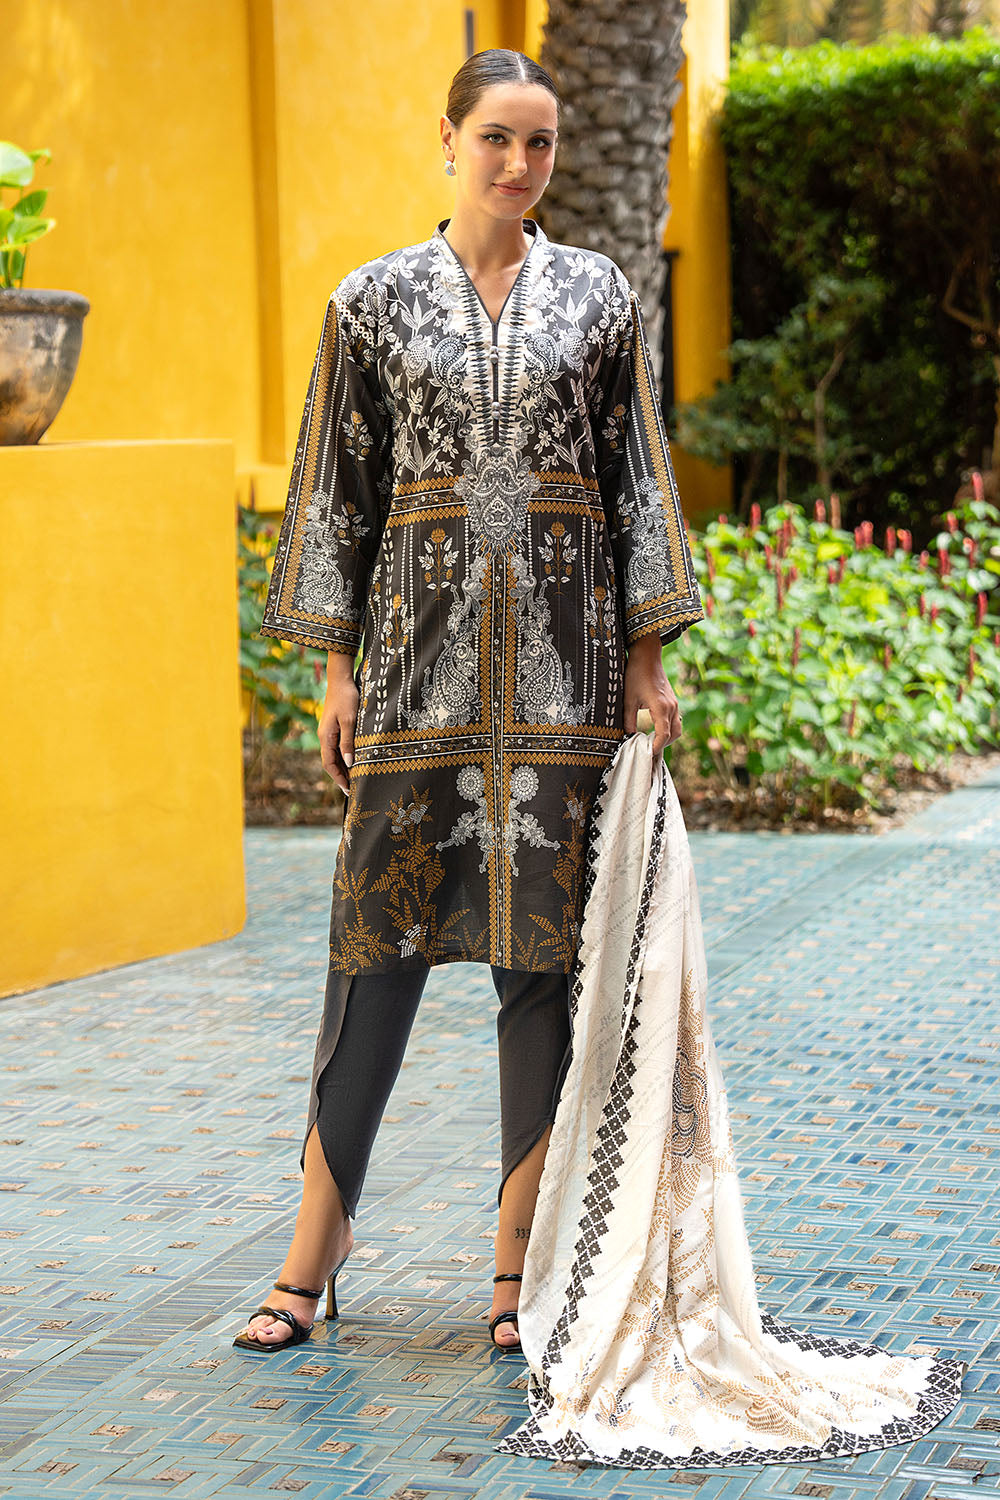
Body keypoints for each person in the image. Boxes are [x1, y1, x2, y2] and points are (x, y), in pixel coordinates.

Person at [232, 47, 703, 1355]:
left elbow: (634, 473)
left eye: (539, 142)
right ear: (447, 139)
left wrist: (648, 664)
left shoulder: (598, 296)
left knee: (539, 962)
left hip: (566, 683)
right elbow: (336, 487)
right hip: (414, 675)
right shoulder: (372, 303)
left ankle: (517, 1268)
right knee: (371, 951)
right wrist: (333, 666)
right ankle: (314, 1252)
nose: (519, 163)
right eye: (497, 137)